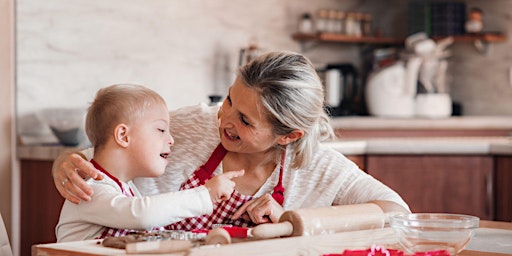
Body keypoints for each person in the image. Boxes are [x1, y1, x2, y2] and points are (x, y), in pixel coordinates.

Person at [53, 51, 410, 231]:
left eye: (244, 120)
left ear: (289, 135)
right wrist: (65, 163)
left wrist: (295, 218)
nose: (223, 119)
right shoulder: (193, 124)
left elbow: (398, 214)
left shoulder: (318, 168)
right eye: (228, 100)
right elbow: (106, 149)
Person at [55, 84, 243, 242]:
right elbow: (142, 215)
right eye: (161, 130)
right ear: (123, 136)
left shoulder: (126, 188)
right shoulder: (89, 186)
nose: (171, 140)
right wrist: (206, 195)